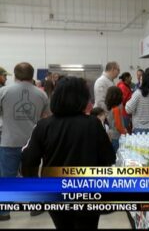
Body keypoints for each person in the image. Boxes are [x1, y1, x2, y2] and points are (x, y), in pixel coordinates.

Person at [21, 77, 115, 229]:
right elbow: (109, 157)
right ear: (83, 99)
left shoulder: (43, 126)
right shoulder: (93, 124)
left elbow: (28, 160)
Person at [0, 62, 50, 221]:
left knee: (7, 178)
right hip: (32, 144)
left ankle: (4, 212)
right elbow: (45, 118)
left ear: (15, 75)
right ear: (32, 75)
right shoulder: (41, 94)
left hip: (9, 141)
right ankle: (35, 207)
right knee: (31, 175)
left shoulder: (3, 91)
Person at [105, 86, 127, 152]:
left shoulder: (109, 108)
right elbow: (118, 126)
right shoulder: (116, 109)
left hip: (110, 135)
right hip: (116, 137)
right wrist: (124, 132)